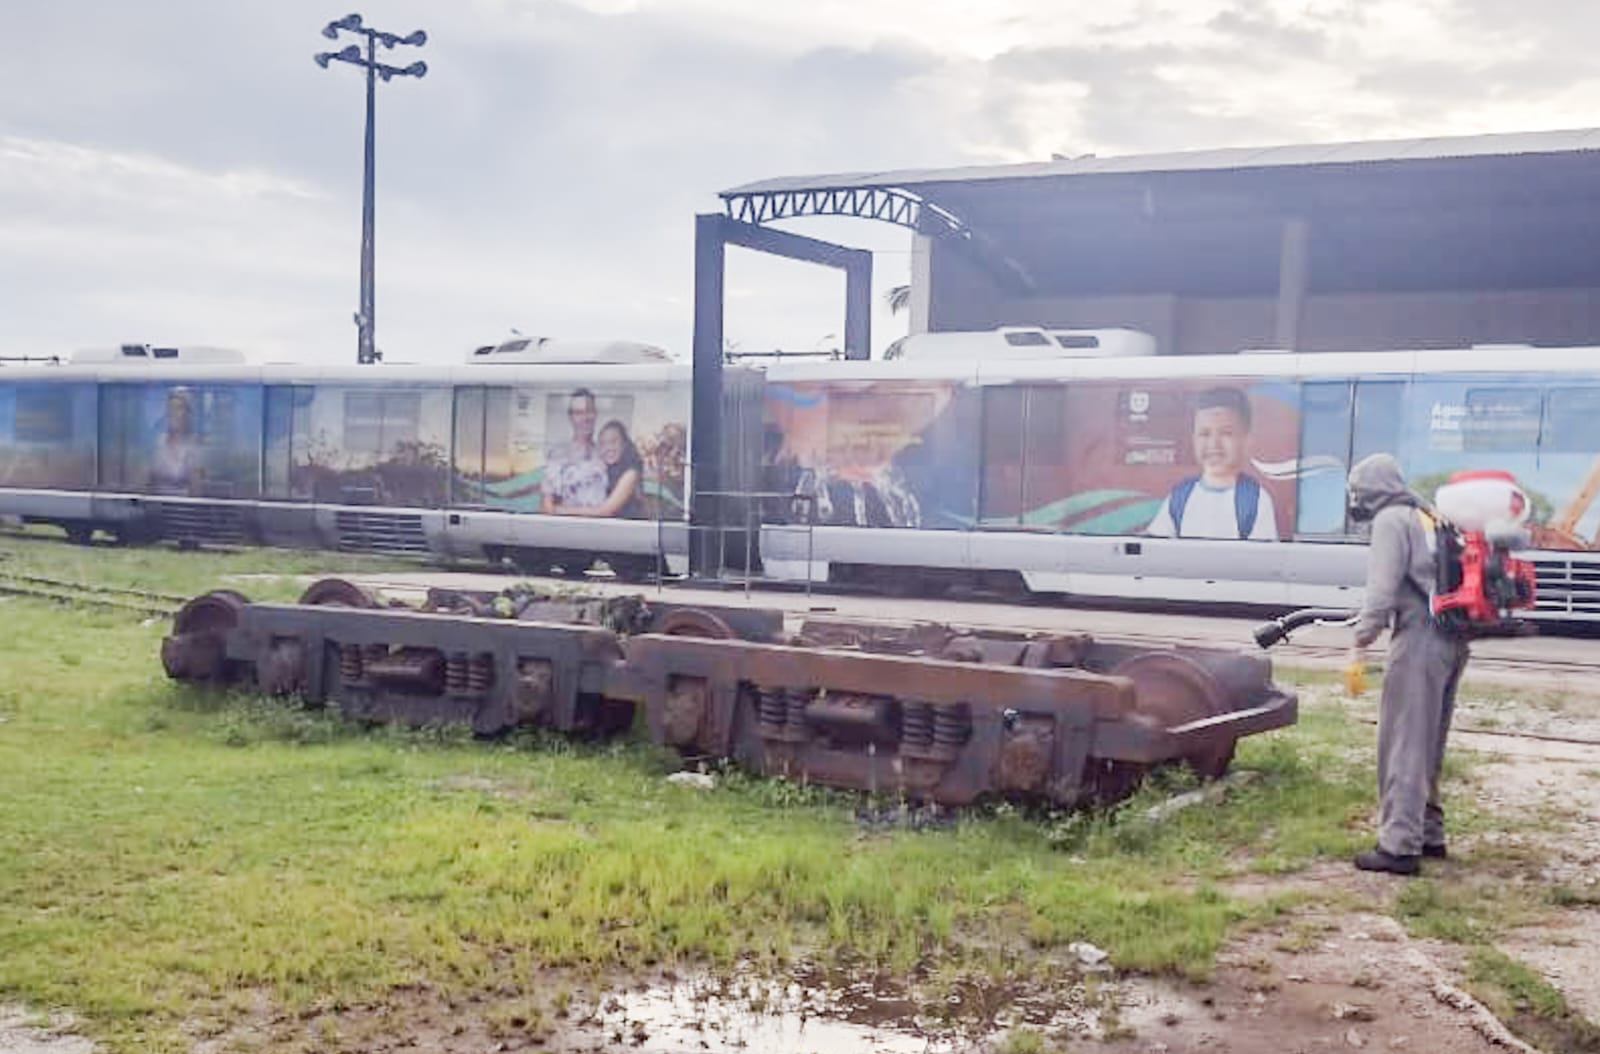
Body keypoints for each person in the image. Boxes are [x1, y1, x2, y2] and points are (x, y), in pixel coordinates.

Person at [1346, 452, 1470, 876]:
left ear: (1368, 490)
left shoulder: (1390, 520)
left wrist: (1362, 636)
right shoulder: (1429, 515)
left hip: (1418, 639)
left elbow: (1381, 592)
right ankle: (1429, 833)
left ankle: (1398, 846)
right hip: (1454, 639)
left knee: (1402, 742)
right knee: (1429, 742)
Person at [1146, 386, 1278, 540]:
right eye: (1204, 434)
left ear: (1246, 440)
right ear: (1193, 439)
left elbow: (1263, 560)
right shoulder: (1180, 495)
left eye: (1226, 433)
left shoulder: (1255, 499)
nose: (1214, 444)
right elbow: (1156, 548)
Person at [554, 419, 644, 518]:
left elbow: (605, 510)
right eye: (603, 444)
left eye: (613, 442)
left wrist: (561, 510)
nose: (608, 448)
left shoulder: (630, 473)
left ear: (624, 444)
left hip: (625, 529)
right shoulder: (602, 469)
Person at [541, 388, 608, 513]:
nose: (585, 418)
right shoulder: (558, 454)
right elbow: (547, 505)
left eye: (589, 411)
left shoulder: (606, 453)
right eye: (578, 413)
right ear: (570, 417)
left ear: (595, 414)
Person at [148, 387, 202, 494]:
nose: (173, 414)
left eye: (178, 408)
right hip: (158, 503)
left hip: (185, 504)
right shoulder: (159, 441)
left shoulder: (195, 443)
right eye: (170, 408)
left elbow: (197, 487)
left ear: (188, 414)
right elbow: (148, 478)